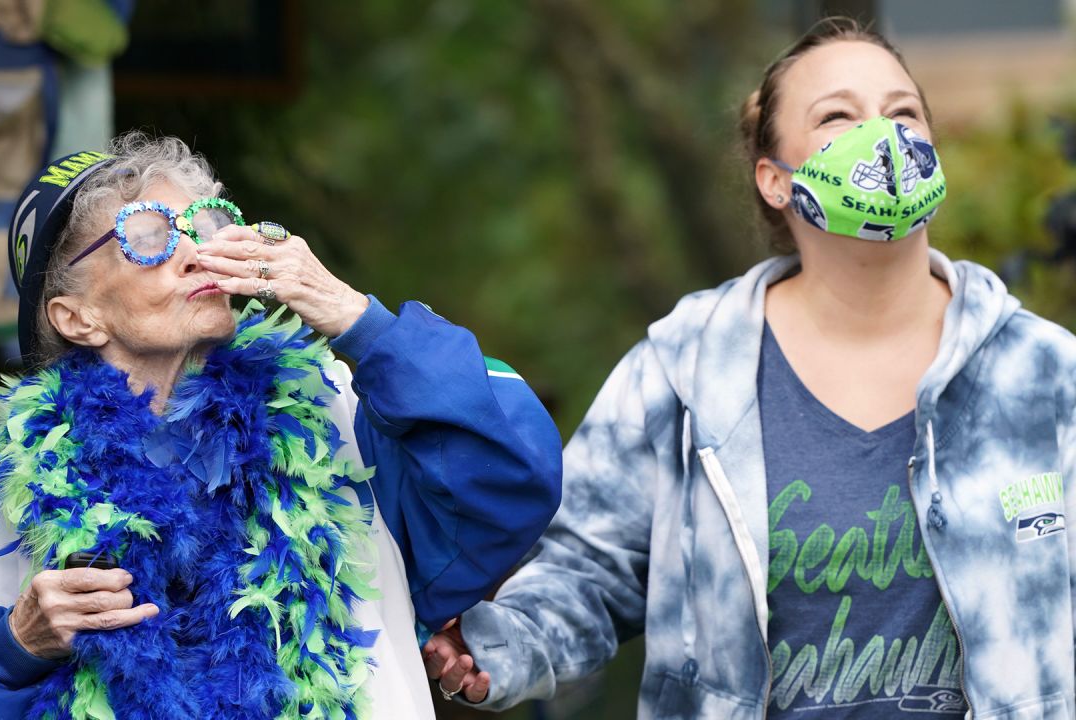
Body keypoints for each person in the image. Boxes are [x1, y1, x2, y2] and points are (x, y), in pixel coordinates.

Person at [425, 17, 1076, 719]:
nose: (884, 137)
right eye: (837, 116)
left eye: (903, 112)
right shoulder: (682, 373)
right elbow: (587, 569)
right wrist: (502, 648)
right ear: (774, 179)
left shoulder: (1044, 375)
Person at [0, 133, 563, 720]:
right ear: (77, 318)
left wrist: (358, 320)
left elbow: (515, 476)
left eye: (205, 225)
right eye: (150, 236)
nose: (196, 249)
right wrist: (14, 648)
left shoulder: (346, 420)